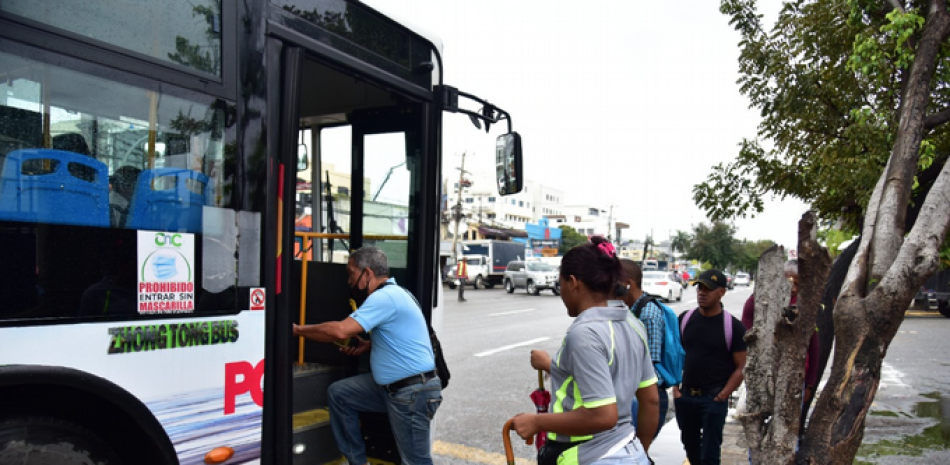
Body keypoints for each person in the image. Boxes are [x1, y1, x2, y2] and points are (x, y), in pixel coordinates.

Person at [510, 236, 657, 465]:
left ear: (573, 282)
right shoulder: (633, 325)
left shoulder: (585, 334)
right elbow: (650, 401)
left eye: (560, 285)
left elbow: (603, 416)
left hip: (590, 456)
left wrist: (537, 422)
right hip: (630, 452)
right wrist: (642, 451)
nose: (561, 293)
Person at [293, 246, 441, 465]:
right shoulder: (398, 293)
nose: (349, 282)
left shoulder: (385, 297)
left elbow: (340, 330)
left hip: (411, 392)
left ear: (368, 273)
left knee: (415, 461)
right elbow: (403, 339)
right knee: (340, 394)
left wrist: (297, 330)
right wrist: (370, 345)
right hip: (395, 389)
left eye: (351, 274)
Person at [674, 269, 747, 465]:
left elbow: (741, 367)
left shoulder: (733, 326)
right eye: (700, 287)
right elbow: (674, 356)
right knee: (690, 448)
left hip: (713, 398)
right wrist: (675, 389)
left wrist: (722, 395)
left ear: (722, 292)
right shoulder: (685, 319)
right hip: (686, 396)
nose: (702, 293)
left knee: (710, 454)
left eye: (708, 289)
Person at [741, 259, 819, 435]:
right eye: (790, 282)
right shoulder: (758, 301)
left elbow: (813, 348)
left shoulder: (804, 307)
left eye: (798, 284)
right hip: (761, 376)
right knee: (757, 430)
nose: (794, 289)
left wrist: (810, 384)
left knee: (787, 431)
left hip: (794, 379)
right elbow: (745, 336)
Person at [619, 259, 668, 438]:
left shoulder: (647, 314)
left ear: (628, 284)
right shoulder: (634, 308)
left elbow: (650, 366)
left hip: (645, 397)